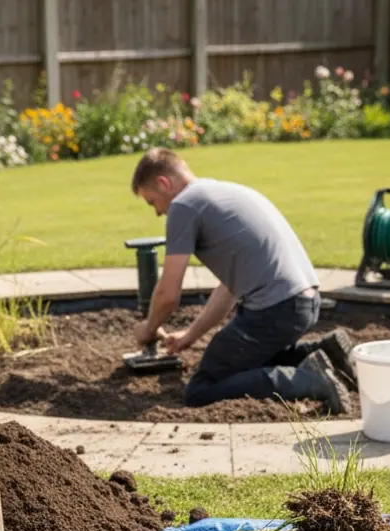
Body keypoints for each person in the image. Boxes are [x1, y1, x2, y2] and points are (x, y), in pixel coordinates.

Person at [129, 147, 356, 413]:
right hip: (304, 303)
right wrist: (190, 335)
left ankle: (311, 381)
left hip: (275, 311)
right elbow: (229, 288)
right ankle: (327, 352)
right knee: (247, 362)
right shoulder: (226, 192)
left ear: (163, 183)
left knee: (201, 390)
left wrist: (148, 329)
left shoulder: (184, 205)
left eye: (152, 202)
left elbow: (168, 294)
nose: (157, 212)